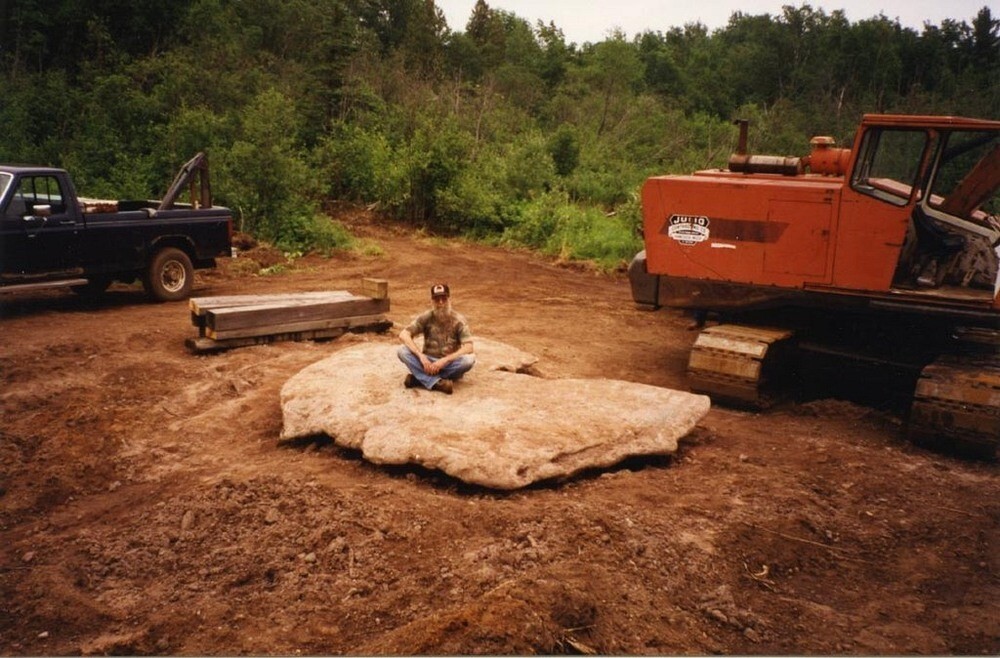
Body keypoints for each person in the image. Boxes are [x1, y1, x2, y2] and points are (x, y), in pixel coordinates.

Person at [397, 283, 475, 394]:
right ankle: (437, 382)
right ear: (432, 301)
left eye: (444, 299)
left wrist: (445, 360)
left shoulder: (459, 320)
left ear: (449, 299)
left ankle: (420, 379)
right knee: (402, 351)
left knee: (469, 360)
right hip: (428, 363)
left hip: (449, 364)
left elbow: (469, 347)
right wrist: (421, 356)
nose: (441, 303)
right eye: (437, 299)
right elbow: (403, 334)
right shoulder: (426, 317)